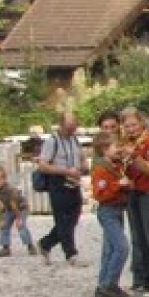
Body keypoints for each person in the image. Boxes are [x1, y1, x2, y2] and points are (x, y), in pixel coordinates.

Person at [120, 106, 149, 295]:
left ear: (142, 122)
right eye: (127, 126)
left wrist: (134, 157)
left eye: (133, 124)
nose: (131, 129)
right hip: (133, 191)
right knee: (138, 238)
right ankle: (144, 279)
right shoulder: (126, 142)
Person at [36, 112, 86, 266]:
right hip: (58, 182)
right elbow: (43, 165)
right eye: (69, 127)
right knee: (62, 219)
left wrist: (83, 166)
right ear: (61, 125)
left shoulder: (75, 139)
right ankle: (71, 253)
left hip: (73, 182)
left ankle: (45, 243)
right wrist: (65, 171)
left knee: (73, 217)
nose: (71, 130)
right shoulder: (52, 141)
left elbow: (81, 157)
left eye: (74, 127)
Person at [88, 130, 133, 297]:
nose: (119, 149)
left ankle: (103, 284)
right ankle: (110, 283)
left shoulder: (116, 166)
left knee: (109, 249)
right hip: (108, 210)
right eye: (116, 146)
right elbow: (100, 194)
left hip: (117, 209)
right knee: (121, 247)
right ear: (105, 149)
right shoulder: (101, 169)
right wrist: (118, 185)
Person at [0, 165, 34, 256]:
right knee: (4, 226)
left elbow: (14, 207)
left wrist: (19, 219)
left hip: (21, 208)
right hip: (10, 209)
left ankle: (31, 246)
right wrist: (1, 219)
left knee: (21, 226)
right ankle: (6, 248)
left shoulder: (10, 190)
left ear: (4, 179)